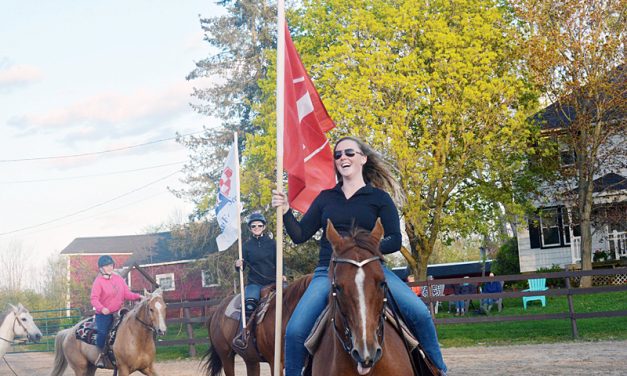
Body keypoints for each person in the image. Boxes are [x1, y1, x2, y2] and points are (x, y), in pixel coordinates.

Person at [272, 136, 447, 376]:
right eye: (338, 155)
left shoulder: (379, 199)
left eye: (349, 153)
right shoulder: (325, 198)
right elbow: (300, 235)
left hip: (374, 270)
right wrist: (285, 212)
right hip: (329, 272)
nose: (342, 157)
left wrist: (364, 252)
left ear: (363, 159)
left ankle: (440, 369)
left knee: (419, 313)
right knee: (294, 330)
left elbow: (395, 240)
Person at [232, 212, 277, 349]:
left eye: (259, 225)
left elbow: (279, 261)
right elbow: (243, 266)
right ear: (250, 228)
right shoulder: (245, 246)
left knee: (290, 299)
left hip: (273, 281)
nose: (256, 227)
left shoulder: (272, 243)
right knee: (249, 305)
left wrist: (283, 274)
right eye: (253, 226)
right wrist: (238, 265)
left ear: (264, 227)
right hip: (255, 283)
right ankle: (245, 334)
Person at [90, 255, 142, 368]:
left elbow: (127, 294)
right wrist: (102, 308)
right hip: (104, 314)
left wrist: (139, 297)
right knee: (103, 333)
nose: (110, 267)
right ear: (101, 268)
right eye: (107, 265)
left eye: (111, 265)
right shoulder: (98, 282)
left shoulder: (118, 279)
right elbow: (94, 299)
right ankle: (101, 355)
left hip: (119, 312)